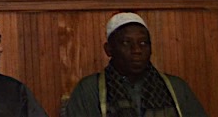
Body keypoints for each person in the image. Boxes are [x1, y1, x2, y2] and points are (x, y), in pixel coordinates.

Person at [65, 12, 208, 116]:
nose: (137, 50)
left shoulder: (176, 88)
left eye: (143, 43)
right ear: (109, 49)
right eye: (126, 43)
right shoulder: (89, 90)